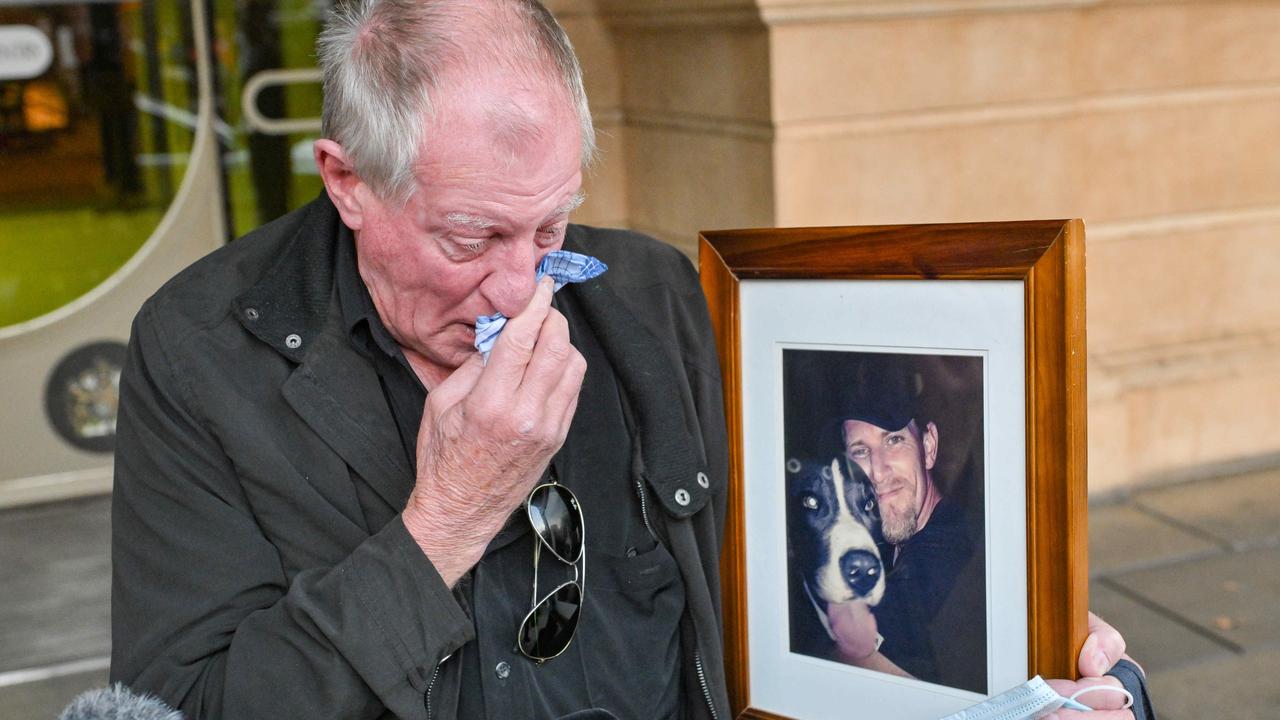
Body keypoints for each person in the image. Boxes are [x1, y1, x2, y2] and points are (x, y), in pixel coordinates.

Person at [110, 1, 1143, 719]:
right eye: (469, 239)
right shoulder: (201, 354)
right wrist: (447, 520)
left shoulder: (646, 292)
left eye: (550, 224)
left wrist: (1013, 654)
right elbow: (181, 708)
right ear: (347, 182)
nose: (522, 289)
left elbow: (791, 579)